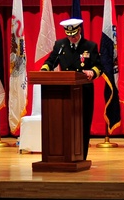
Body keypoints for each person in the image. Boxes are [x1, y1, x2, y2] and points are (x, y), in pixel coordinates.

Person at [39, 18, 101, 160]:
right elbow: (51, 61)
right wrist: (44, 69)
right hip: (64, 92)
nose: (72, 38)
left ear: (79, 31)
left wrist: (92, 72)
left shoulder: (90, 46)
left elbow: (99, 66)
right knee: (65, 124)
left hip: (83, 91)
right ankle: (64, 155)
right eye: (69, 36)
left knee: (82, 124)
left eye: (74, 35)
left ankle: (81, 157)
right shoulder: (60, 45)